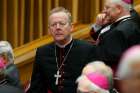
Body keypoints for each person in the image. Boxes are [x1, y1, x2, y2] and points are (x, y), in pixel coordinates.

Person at [28, 7, 95, 93]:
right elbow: (36, 87)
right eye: (53, 25)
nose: (57, 27)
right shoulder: (42, 52)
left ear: (71, 27)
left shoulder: (87, 49)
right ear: (49, 30)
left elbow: (94, 85)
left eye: (62, 24)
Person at [90, 0, 140, 73]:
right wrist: (99, 25)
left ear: (119, 9)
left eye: (107, 8)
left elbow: (109, 59)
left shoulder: (119, 31)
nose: (104, 11)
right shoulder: (126, 24)